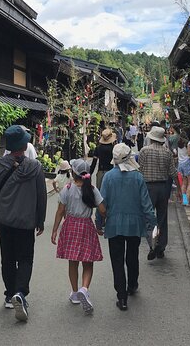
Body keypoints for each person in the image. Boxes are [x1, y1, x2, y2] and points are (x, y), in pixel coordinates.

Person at [0, 125, 47, 322]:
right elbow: (41, 195)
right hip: (26, 221)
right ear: (24, 145)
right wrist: (40, 220)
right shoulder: (35, 167)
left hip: (5, 221)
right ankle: (20, 293)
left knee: (7, 259)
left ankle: (9, 294)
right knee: (25, 258)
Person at [97, 143, 156, 311]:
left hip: (114, 224)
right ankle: (132, 285)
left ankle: (121, 297)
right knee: (132, 255)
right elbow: (146, 203)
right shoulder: (137, 177)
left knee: (117, 260)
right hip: (134, 224)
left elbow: (102, 203)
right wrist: (153, 223)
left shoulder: (108, 177)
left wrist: (98, 223)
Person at [51, 159, 106, 315]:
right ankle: (84, 288)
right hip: (86, 226)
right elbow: (102, 209)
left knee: (73, 261)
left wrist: (55, 230)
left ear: (73, 173)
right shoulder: (92, 189)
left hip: (70, 225)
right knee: (88, 261)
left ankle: (75, 293)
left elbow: (60, 211)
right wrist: (105, 219)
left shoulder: (67, 189)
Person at [138, 126, 177, 260]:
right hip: (163, 187)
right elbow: (172, 172)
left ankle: (152, 245)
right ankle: (161, 246)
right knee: (162, 218)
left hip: (148, 187)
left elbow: (139, 169)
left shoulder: (144, 151)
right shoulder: (168, 152)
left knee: (149, 217)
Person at [177, 134, 190, 205]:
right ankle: (188, 202)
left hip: (180, 164)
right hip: (187, 163)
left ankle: (184, 201)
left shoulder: (179, 143)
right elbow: (189, 154)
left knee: (184, 184)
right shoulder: (188, 143)